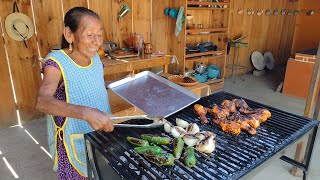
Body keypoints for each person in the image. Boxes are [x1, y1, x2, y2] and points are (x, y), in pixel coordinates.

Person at [35, 7, 114, 179]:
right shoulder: (56, 63)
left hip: (99, 132)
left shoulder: (95, 58)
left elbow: (92, 84)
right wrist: (85, 112)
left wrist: (124, 85)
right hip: (74, 137)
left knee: (100, 172)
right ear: (69, 35)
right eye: (89, 34)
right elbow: (42, 101)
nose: (96, 41)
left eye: (100, 34)